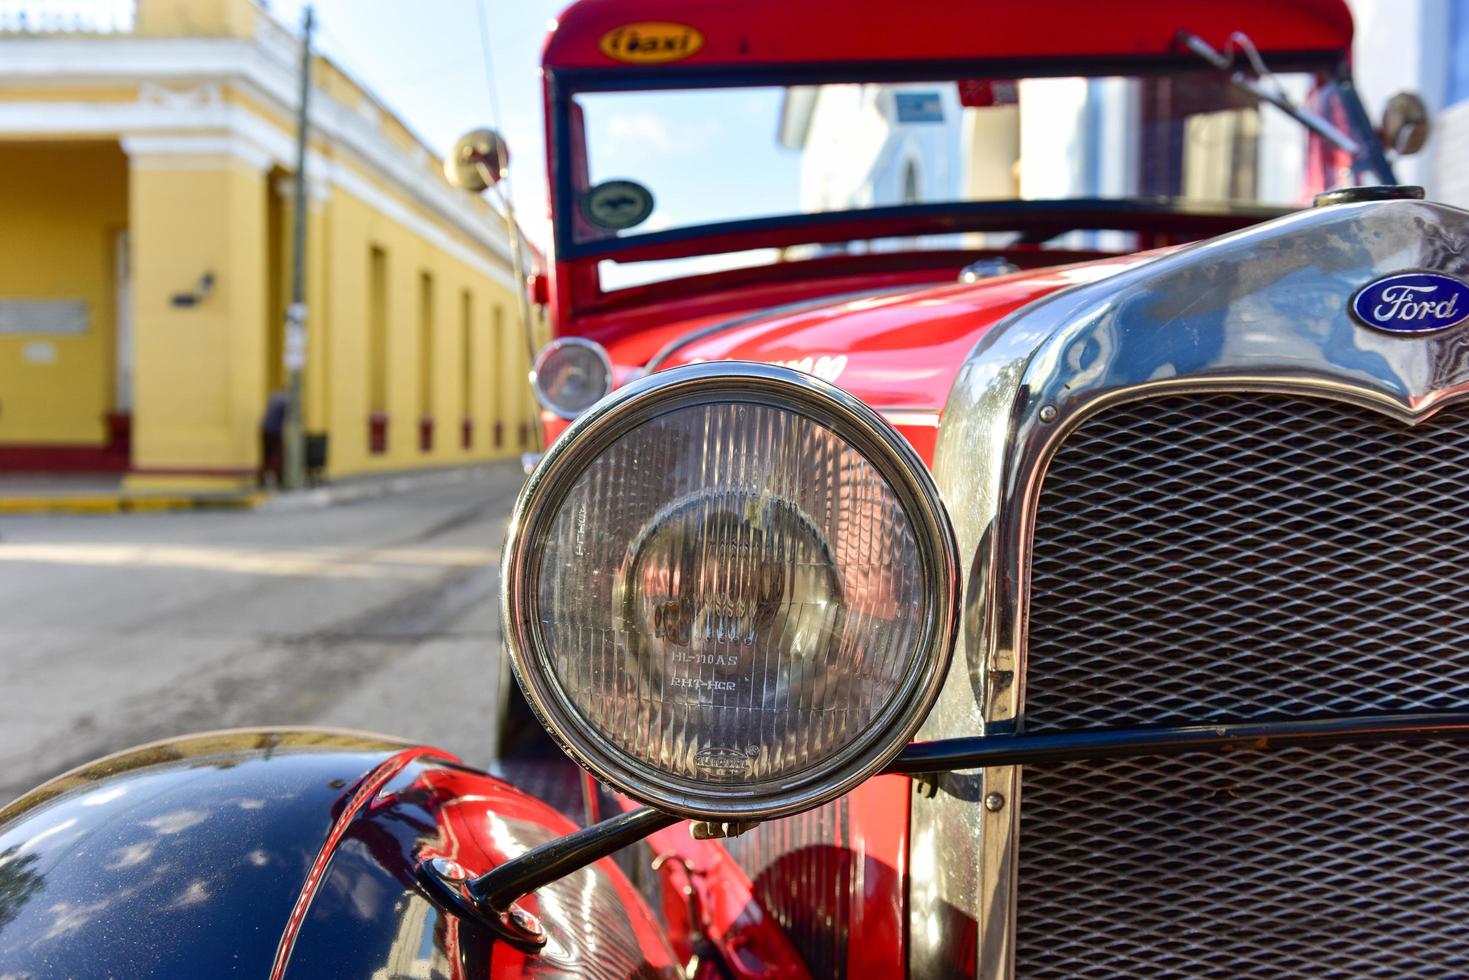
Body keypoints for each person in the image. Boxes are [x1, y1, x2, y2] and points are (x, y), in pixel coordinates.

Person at [260, 388, 289, 487]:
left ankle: (265, 478)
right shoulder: (287, 399)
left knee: (267, 454)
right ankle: (274, 479)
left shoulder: (274, 396)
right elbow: (289, 417)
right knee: (277, 454)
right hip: (275, 430)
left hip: (264, 428)